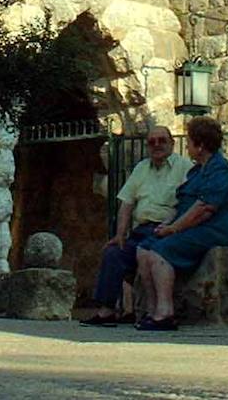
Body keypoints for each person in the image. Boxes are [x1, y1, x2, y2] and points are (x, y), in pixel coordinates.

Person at [134, 115, 228, 331]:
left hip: (213, 229)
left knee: (160, 252)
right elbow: (181, 204)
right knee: (143, 249)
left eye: (190, 142)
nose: (188, 147)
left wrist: (173, 229)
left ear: (200, 146)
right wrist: (165, 225)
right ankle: (151, 310)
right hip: (190, 226)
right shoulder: (195, 171)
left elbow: (204, 209)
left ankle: (165, 313)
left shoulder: (220, 169)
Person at [79, 124, 191, 327]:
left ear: (172, 143)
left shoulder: (184, 167)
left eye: (162, 140)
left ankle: (155, 312)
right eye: (152, 142)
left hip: (164, 230)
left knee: (146, 251)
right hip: (141, 230)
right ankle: (107, 311)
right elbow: (126, 203)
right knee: (113, 252)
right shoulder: (141, 168)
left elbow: (186, 204)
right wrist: (120, 234)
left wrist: (171, 226)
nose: (157, 145)